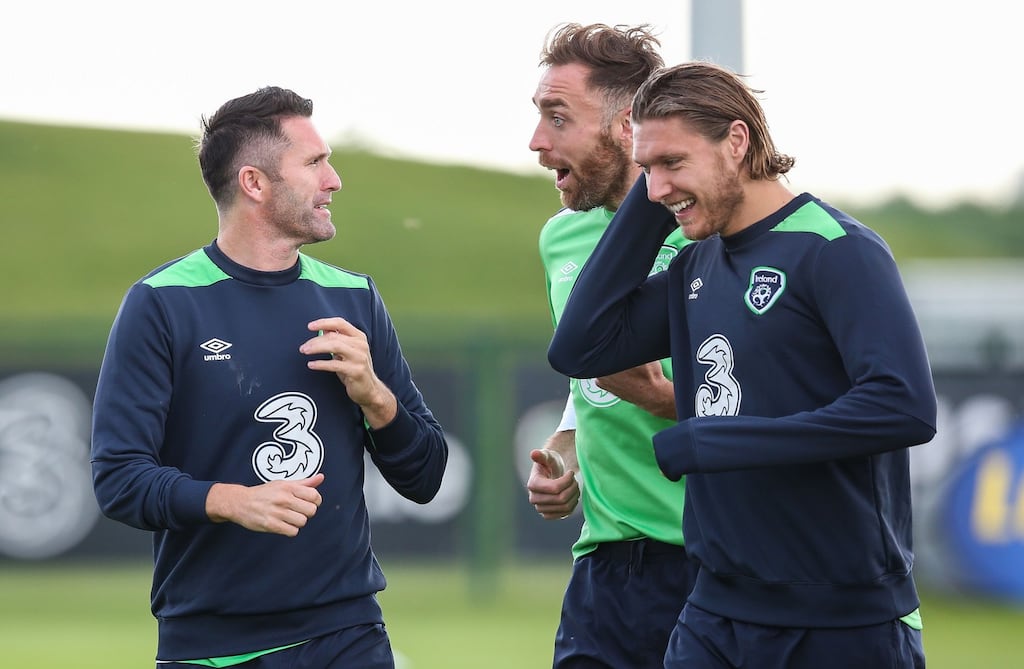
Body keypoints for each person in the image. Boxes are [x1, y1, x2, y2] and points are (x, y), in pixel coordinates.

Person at [547, 61, 938, 669]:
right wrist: (664, 192)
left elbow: (902, 407)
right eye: (646, 167)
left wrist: (717, 442)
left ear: (737, 140)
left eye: (672, 162)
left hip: (840, 620)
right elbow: (580, 347)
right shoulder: (696, 267)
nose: (654, 188)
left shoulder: (837, 249)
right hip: (714, 614)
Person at [90, 86, 449, 669]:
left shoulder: (352, 297)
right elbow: (119, 479)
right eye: (314, 163)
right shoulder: (162, 303)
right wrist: (232, 501)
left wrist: (374, 397)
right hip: (212, 646)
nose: (334, 180)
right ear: (254, 183)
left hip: (350, 633)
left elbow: (426, 476)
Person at [526, 23, 698, 668]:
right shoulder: (561, 238)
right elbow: (592, 374)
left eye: (558, 117)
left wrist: (656, 397)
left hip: (711, 563)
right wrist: (567, 448)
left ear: (627, 125)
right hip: (603, 566)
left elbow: (778, 407)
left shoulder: (712, 233)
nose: (537, 142)